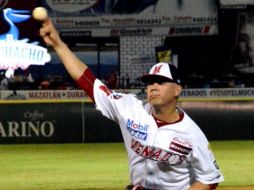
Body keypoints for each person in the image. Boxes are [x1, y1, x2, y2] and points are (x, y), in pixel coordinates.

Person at [39, 18, 224, 190]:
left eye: (161, 82)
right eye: (151, 82)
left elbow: (210, 178)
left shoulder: (192, 133)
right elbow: (89, 82)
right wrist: (59, 45)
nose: (153, 87)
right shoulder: (130, 109)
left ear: (177, 90)